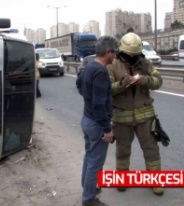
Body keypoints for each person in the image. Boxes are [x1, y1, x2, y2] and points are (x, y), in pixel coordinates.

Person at [107, 32, 164, 195]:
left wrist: (145, 80)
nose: (133, 57)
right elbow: (109, 89)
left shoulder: (145, 63)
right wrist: (124, 84)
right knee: (123, 150)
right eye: (129, 54)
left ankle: (155, 181)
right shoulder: (113, 65)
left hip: (145, 115)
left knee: (151, 149)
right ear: (122, 51)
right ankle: (122, 180)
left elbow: (158, 81)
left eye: (135, 54)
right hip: (122, 116)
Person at [77, 36, 119, 206]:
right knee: (95, 162)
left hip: (86, 120)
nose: (115, 56)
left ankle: (88, 188)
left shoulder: (88, 66)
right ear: (108, 52)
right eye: (114, 52)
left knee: (89, 157)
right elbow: (99, 104)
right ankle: (89, 199)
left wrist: (88, 98)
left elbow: (79, 85)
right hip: (96, 123)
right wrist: (107, 129)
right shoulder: (101, 71)